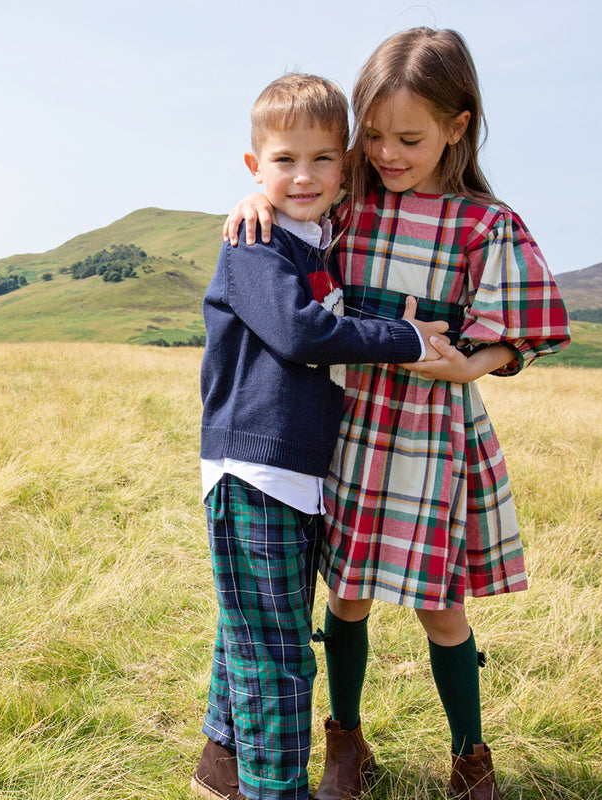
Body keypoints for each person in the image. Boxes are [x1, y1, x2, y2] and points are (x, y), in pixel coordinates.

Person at [222, 29, 571, 800]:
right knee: (345, 595)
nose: (385, 154)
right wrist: (255, 196)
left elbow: (527, 335)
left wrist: (471, 362)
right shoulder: (349, 205)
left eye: (408, 138)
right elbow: (291, 190)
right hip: (348, 430)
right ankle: (344, 744)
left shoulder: (486, 224)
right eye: (372, 137)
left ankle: (470, 757)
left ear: (459, 125)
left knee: (441, 611)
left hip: (433, 437)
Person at [192, 72, 454, 800]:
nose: (302, 175)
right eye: (283, 161)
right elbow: (302, 334)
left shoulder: (315, 239)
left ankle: (221, 766)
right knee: (278, 651)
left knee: (252, 624)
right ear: (254, 168)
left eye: (321, 159)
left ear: (345, 164)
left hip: (297, 472)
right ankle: (275, 789)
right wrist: (404, 339)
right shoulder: (256, 241)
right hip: (254, 468)